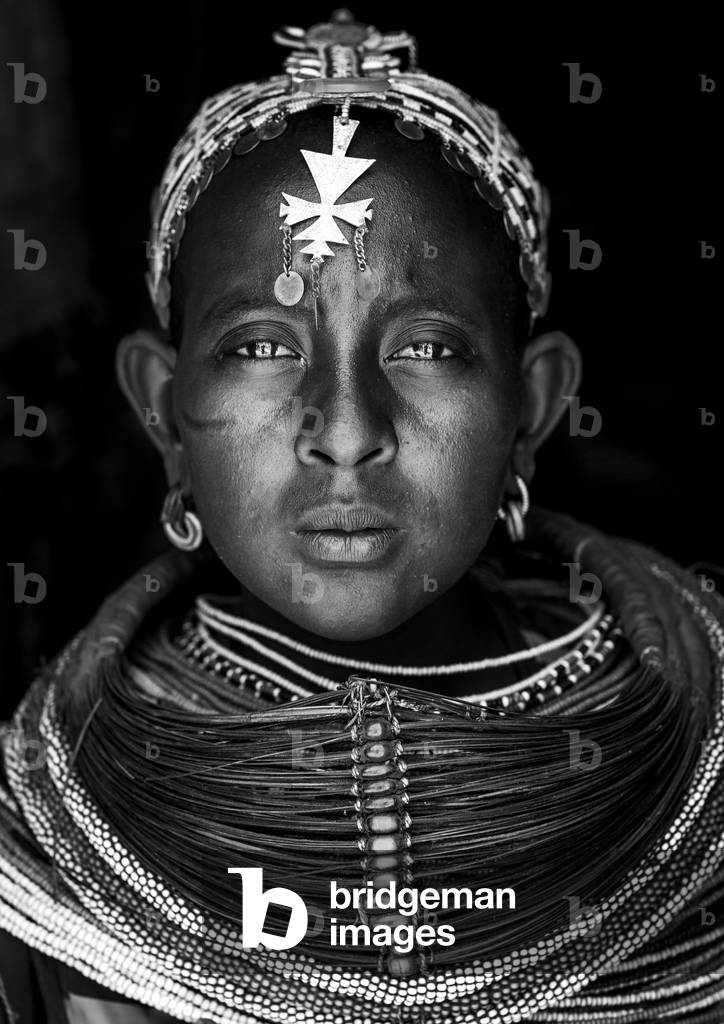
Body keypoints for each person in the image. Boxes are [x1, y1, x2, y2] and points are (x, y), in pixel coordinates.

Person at [2, 11, 723, 1024]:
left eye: (426, 347)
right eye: (260, 346)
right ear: (165, 411)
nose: (344, 430)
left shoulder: (705, 769)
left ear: (533, 406)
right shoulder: (45, 846)